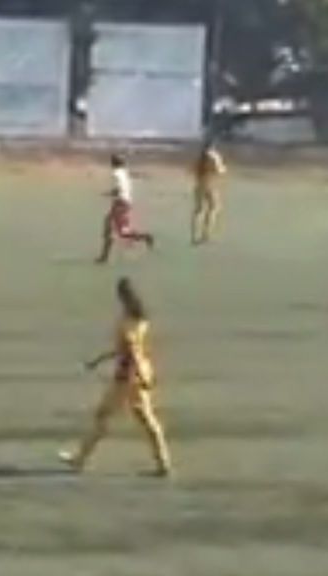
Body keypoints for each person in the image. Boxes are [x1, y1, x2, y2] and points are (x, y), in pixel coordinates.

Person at [59, 277, 172, 477]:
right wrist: (99, 360)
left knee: (110, 417)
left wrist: (137, 374)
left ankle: (80, 459)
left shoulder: (127, 322)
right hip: (137, 372)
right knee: (142, 420)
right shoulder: (140, 320)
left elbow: (131, 350)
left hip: (127, 377)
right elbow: (126, 349)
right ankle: (163, 463)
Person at [97, 154, 154, 263]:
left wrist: (108, 193)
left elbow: (119, 190)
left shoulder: (116, 174)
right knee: (108, 226)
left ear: (112, 163)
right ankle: (104, 257)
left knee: (122, 232)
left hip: (120, 203)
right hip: (124, 202)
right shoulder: (124, 173)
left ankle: (146, 237)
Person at [190, 141, 227, 245]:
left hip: (199, 185)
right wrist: (224, 168)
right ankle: (206, 234)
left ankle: (194, 235)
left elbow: (192, 169)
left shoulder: (200, 157)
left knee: (198, 210)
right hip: (211, 185)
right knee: (214, 208)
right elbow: (220, 171)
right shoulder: (214, 156)